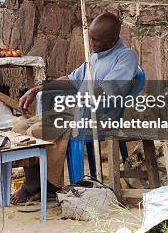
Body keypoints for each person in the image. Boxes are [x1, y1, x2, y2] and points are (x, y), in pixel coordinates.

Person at [10, 13, 139, 204]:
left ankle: (50, 186)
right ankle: (33, 182)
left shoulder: (126, 57)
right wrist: (38, 88)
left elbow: (108, 90)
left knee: (39, 130)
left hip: (100, 117)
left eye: (96, 40)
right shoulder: (96, 55)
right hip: (77, 112)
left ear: (112, 39)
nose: (92, 44)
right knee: (20, 127)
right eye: (91, 39)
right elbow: (72, 79)